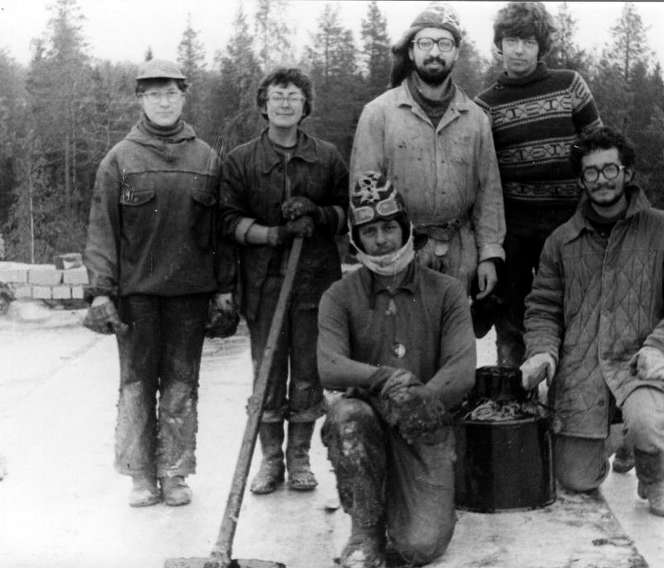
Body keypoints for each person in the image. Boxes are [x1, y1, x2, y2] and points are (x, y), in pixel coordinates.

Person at [520, 127, 664, 518]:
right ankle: (622, 439)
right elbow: (542, 307)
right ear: (581, 181)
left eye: (610, 169)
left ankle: (654, 477)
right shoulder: (561, 241)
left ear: (627, 173)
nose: (601, 179)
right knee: (575, 478)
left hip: (639, 362)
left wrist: (661, 345)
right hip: (582, 369)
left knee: (645, 421)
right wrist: (541, 352)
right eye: (591, 172)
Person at [83, 59, 236, 507]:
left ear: (184, 97)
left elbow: (221, 235)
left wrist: (224, 289)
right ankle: (140, 476)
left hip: (190, 296)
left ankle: (174, 473)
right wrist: (102, 292)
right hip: (137, 297)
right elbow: (102, 231)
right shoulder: (119, 159)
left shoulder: (207, 159)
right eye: (154, 94)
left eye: (170, 93)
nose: (163, 102)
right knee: (136, 385)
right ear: (140, 100)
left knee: (181, 386)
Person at [318, 172, 476, 568]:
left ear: (406, 228)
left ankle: (414, 501)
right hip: (369, 422)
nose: (382, 240)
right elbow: (329, 364)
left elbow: (462, 369)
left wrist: (421, 398)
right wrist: (383, 377)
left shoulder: (447, 290)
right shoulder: (339, 295)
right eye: (369, 231)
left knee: (419, 547)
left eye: (389, 227)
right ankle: (366, 530)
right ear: (356, 239)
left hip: (425, 424)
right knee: (347, 415)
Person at [219, 67, 348, 495]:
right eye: (278, 96)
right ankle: (271, 460)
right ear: (264, 105)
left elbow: (347, 213)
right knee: (268, 374)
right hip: (264, 283)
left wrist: (318, 214)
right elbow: (228, 221)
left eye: (294, 96)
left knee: (308, 372)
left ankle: (299, 459)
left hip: (315, 282)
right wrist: (272, 234)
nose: (286, 103)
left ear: (306, 105)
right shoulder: (241, 160)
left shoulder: (327, 157)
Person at [474, 2, 603, 368]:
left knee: (573, 308)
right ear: (499, 45)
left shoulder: (569, 85)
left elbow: (597, 148)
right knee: (511, 314)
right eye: (511, 41)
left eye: (528, 42)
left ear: (541, 46)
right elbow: (482, 176)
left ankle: (571, 387)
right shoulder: (484, 105)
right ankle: (513, 389)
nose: (519, 50)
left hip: (569, 221)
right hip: (513, 228)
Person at [350, 2, 505, 300]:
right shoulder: (379, 113)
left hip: (460, 255)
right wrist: (377, 255)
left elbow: (489, 193)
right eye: (425, 43)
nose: (435, 52)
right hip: (399, 252)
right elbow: (363, 191)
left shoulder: (475, 119)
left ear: (456, 52)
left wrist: (489, 254)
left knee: (455, 328)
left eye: (444, 43)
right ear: (411, 51)